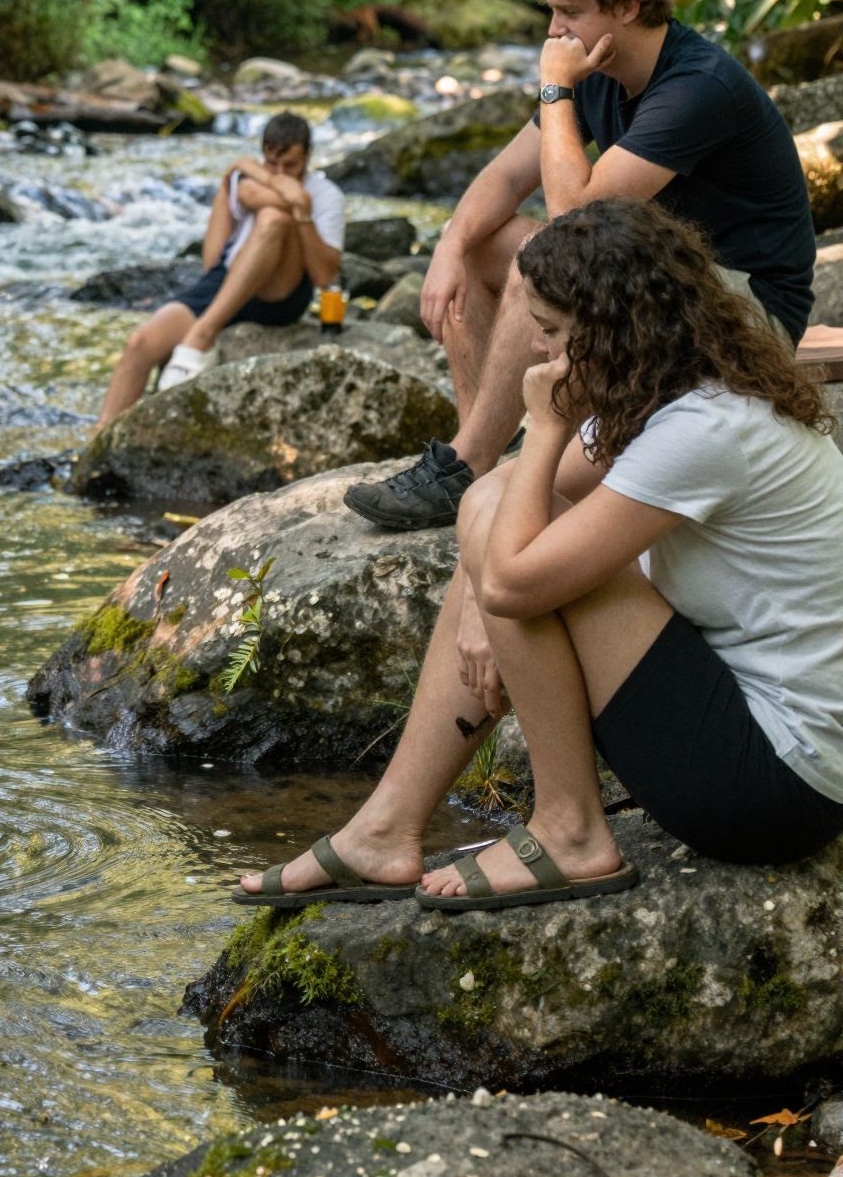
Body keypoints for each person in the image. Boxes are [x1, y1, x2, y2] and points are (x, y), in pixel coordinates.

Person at [236, 199, 843, 911]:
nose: (535, 350)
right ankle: (384, 828)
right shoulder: (672, 388)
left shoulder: (704, 429)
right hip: (756, 732)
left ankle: (568, 831)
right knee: (498, 527)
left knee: (507, 554)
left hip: (777, 782)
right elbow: (493, 498)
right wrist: (485, 594)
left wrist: (545, 428)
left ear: (614, 328)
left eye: (551, 332)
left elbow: (513, 575)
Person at [345, 0, 816, 531]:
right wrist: (450, 247)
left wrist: (554, 89)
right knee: (482, 242)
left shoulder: (697, 86)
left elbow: (575, 221)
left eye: (569, 12)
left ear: (627, 5)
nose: (552, 32)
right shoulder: (600, 74)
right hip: (669, 287)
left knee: (547, 251)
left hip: (751, 313)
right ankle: (476, 460)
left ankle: (466, 467)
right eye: (551, 12)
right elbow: (504, 178)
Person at [95, 111, 344, 429]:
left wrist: (304, 214)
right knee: (140, 342)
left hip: (281, 292)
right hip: (229, 279)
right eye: (271, 165)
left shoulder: (327, 196)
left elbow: (325, 278)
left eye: (290, 166)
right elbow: (231, 226)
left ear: (308, 157)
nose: (280, 173)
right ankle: (99, 440)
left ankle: (202, 333)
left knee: (274, 218)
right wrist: (281, 189)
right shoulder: (249, 181)